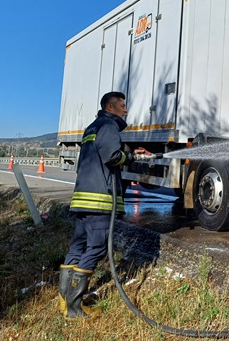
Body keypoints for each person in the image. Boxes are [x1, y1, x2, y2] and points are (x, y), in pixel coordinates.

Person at [59, 91, 149, 319]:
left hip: (83, 198)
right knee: (97, 248)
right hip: (100, 199)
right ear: (110, 107)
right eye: (122, 105)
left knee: (78, 246)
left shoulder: (93, 126)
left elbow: (97, 157)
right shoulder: (109, 126)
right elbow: (111, 156)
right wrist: (131, 158)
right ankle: (74, 308)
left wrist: (128, 153)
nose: (125, 110)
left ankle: (64, 300)